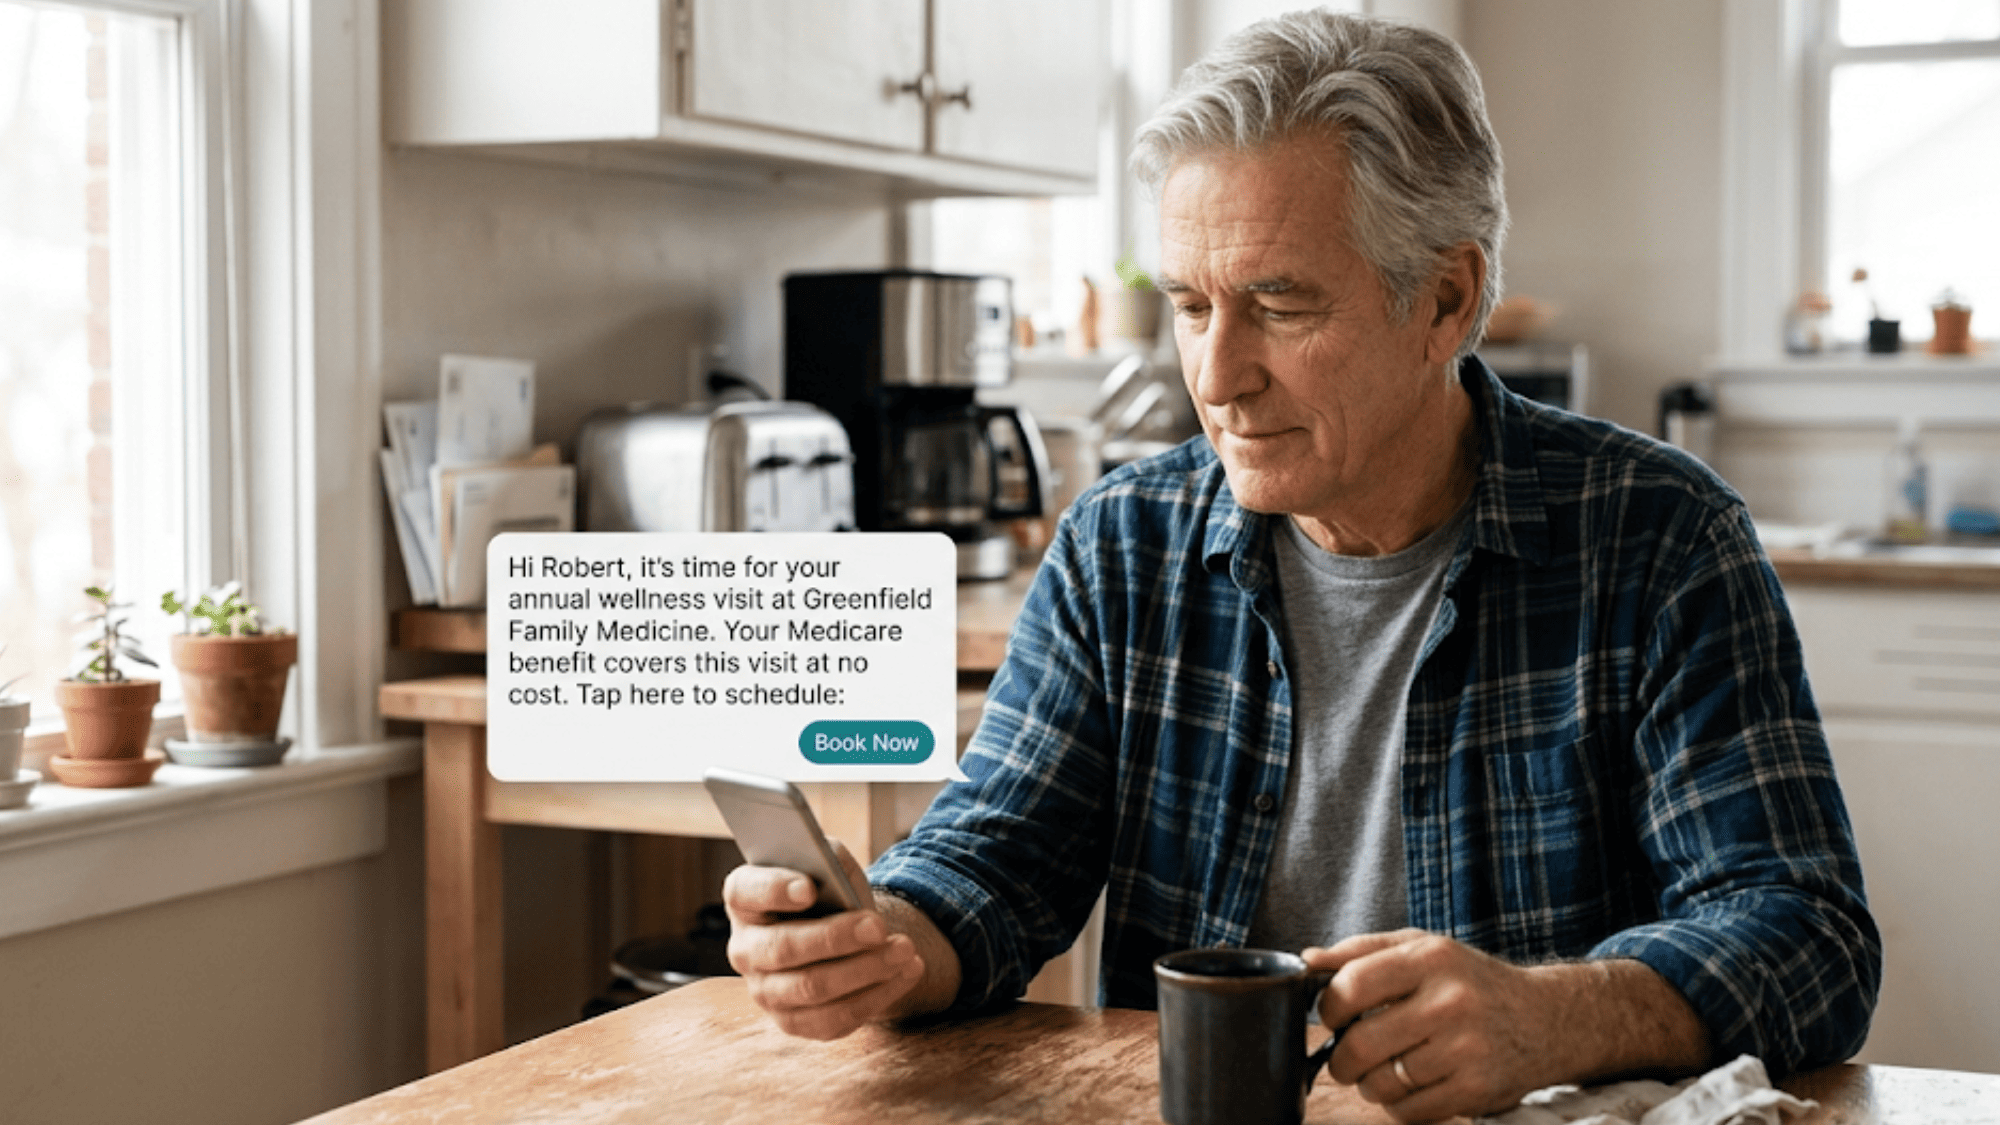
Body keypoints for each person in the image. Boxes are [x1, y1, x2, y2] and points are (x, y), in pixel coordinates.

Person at [723, 11, 1880, 1122]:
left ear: (1444, 299)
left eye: (1276, 306)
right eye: (1187, 305)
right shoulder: (1120, 544)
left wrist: (1550, 1017)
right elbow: (997, 857)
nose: (1217, 376)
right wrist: (880, 945)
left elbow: (1805, 934)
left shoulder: (1659, 538)